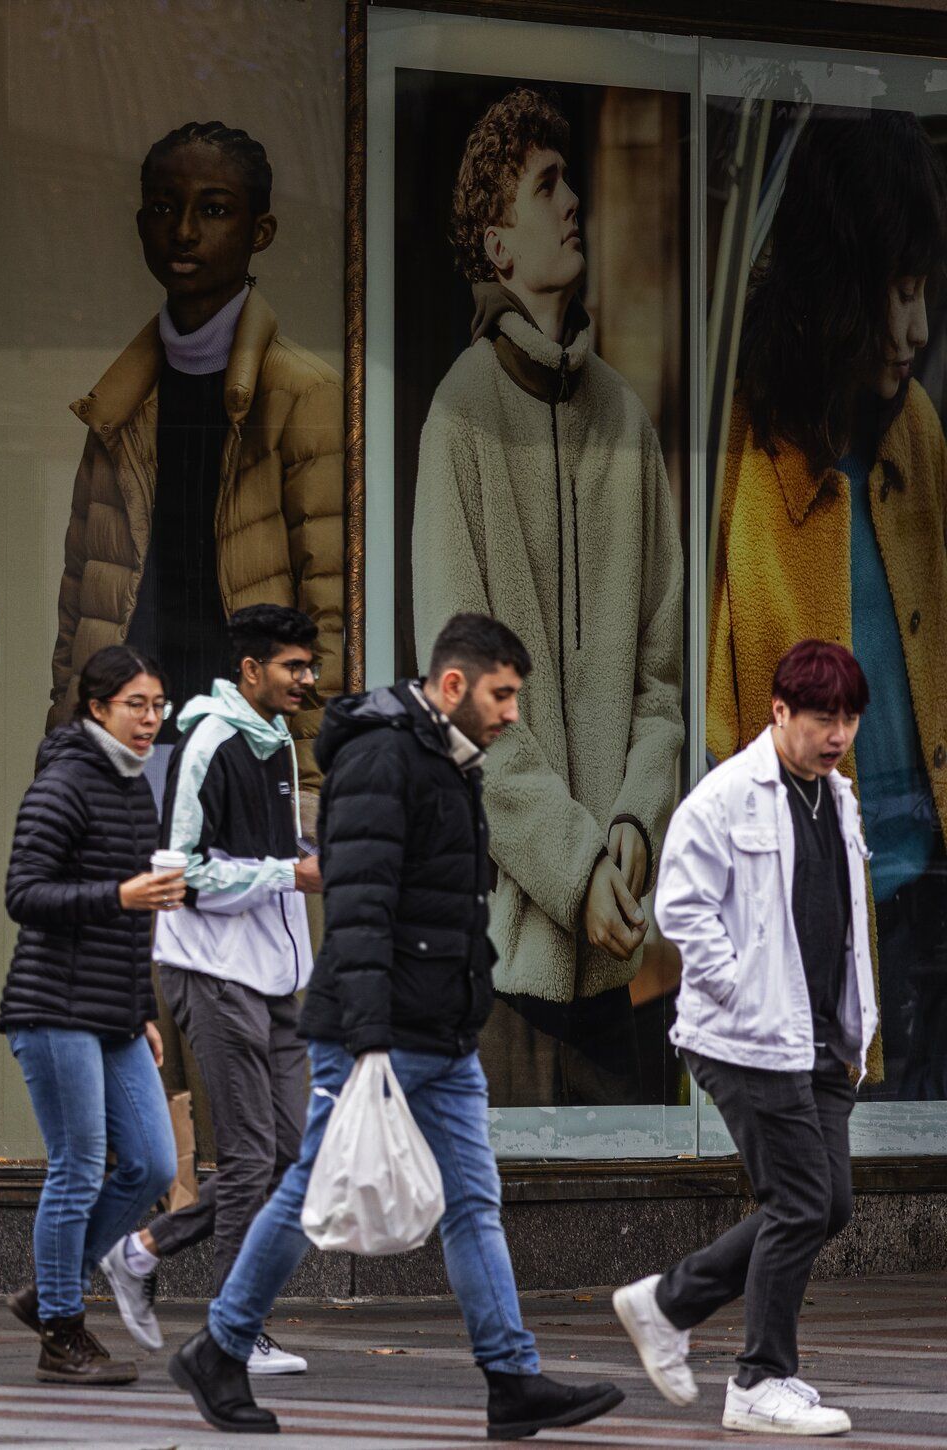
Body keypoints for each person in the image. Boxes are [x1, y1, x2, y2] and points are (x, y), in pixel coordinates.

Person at [169, 613, 624, 1439]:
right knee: (310, 1185)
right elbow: (362, 905)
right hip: (378, 1031)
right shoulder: (386, 756)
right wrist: (370, 1039)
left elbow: (441, 903)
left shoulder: (446, 758)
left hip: (440, 1032)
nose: (512, 712)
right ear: (452, 686)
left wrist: (467, 1002)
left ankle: (512, 1380)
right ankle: (220, 1346)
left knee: (474, 1202)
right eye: (502, 694)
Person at [411, 87, 684, 1107]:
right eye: (545, 185)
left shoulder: (628, 418)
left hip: (630, 963)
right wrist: (576, 872)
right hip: (508, 971)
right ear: (499, 244)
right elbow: (465, 705)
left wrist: (631, 833)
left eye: (567, 179)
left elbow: (661, 685)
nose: (572, 202)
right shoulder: (459, 419)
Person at [709, 111, 947, 1103]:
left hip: (929, 900)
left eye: (924, 290)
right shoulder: (743, 455)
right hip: (814, 924)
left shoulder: (917, 431)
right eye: (897, 293)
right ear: (838, 289)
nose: (919, 328)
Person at [613, 641, 877, 1437]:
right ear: (779, 713)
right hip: (745, 1036)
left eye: (850, 719)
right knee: (799, 1202)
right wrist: (735, 984)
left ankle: (668, 1302)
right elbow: (680, 908)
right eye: (822, 718)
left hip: (822, 1036)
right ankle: (760, 1379)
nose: (837, 735)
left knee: (825, 1206)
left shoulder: (842, 798)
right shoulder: (725, 797)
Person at [49, 121, 343, 798]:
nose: (183, 231)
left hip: (248, 757)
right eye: (162, 206)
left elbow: (330, 617)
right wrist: (63, 756)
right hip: (128, 755)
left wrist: (311, 785)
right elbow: (79, 612)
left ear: (259, 231)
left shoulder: (303, 396)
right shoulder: (117, 406)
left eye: (213, 209)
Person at [106, 604, 321, 1375]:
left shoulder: (278, 741)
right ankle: (234, 1332)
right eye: (293, 667)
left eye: (309, 665)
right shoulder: (210, 739)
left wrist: (307, 853)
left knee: (296, 1157)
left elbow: (263, 846)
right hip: (213, 971)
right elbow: (181, 872)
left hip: (275, 979)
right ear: (252, 670)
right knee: (252, 1157)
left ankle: (145, 1247)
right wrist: (288, 872)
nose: (307, 679)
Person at [0, 644, 184, 1386]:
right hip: (51, 1006)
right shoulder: (64, 783)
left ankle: (50, 1289)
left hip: (110, 1007)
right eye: (136, 704)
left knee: (153, 1162)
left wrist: (143, 1009)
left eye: (158, 705)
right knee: (77, 1166)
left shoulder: (135, 787)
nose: (150, 719)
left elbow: (131, 923)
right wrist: (119, 897)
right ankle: (61, 1331)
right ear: (97, 708)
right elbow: (24, 894)